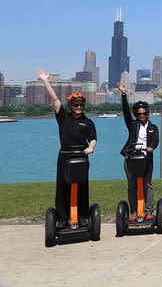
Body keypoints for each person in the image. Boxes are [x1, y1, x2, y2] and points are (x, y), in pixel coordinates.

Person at [37, 69, 97, 228]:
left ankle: (83, 215)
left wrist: (90, 148)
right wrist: (45, 81)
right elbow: (54, 99)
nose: (79, 107)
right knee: (63, 187)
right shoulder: (63, 117)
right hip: (64, 156)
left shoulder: (88, 122)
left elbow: (92, 139)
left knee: (83, 187)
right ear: (70, 106)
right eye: (76, 105)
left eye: (81, 105)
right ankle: (62, 217)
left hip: (82, 156)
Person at [118, 83, 159, 221]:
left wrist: (151, 147)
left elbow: (155, 140)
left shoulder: (153, 127)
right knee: (132, 185)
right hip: (131, 158)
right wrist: (124, 96)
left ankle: (148, 211)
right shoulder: (132, 125)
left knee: (147, 185)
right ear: (136, 114)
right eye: (139, 113)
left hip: (146, 159)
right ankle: (134, 211)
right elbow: (125, 113)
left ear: (147, 113)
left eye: (144, 113)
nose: (142, 115)